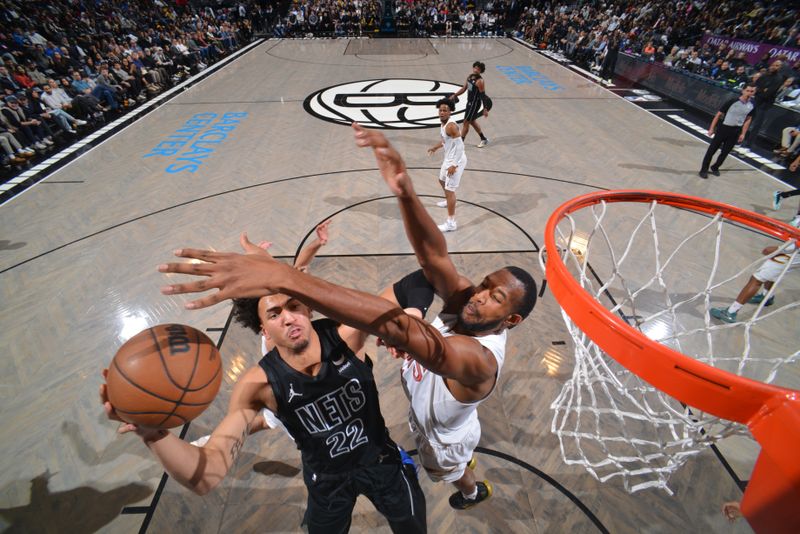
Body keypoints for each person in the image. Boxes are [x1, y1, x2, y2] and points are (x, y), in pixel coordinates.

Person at [156, 123, 538, 510]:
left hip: (440, 436)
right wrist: (406, 194)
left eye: (495, 298)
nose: (479, 296)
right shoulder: (466, 302)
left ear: (511, 320)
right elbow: (432, 259)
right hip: (349, 463)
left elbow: (396, 326)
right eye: (485, 285)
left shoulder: (480, 360)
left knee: (449, 473)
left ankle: (471, 491)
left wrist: (284, 275)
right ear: (263, 325)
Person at [102, 228, 428, 534]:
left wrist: (412, 314)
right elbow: (207, 475)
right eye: (274, 314)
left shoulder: (348, 335)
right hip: (327, 480)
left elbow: (421, 279)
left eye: (294, 306)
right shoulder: (256, 384)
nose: (288, 317)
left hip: (382, 461)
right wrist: (152, 434)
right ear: (263, 329)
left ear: (309, 308)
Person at [710, 217, 799, 323]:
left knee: (757, 279)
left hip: (793, 252)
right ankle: (767, 297)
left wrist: (779, 249)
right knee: (772, 271)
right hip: (794, 250)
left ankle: (730, 312)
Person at [699, 84, 755, 179]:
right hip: (723, 128)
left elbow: (748, 119)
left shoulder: (752, 106)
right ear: (743, 91)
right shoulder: (732, 101)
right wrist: (712, 128)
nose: (749, 93)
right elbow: (718, 115)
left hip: (736, 131)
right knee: (712, 150)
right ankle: (704, 170)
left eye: (752, 91)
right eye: (748, 91)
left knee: (725, 152)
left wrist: (743, 133)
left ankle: (715, 167)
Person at [428, 98, 466, 233]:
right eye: (441, 110)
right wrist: (435, 147)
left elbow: (461, 147)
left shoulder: (451, 126)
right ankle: (449, 200)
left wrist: (454, 165)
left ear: (450, 112)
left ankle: (451, 223)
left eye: (445, 110)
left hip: (457, 160)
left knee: (450, 190)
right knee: (441, 180)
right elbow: (445, 141)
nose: (442, 112)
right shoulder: (443, 124)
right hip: (448, 158)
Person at [448, 61, 492, 148]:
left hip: (475, 104)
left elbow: (483, 96)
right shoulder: (470, 77)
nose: (476, 70)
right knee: (471, 121)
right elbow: (464, 88)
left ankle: (460, 143)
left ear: (481, 71)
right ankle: (483, 139)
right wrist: (455, 95)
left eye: (478, 69)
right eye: (475, 68)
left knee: (466, 122)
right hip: (469, 103)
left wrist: (485, 108)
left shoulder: (480, 81)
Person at [742, 60, 785, 148]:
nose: (774, 66)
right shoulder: (764, 75)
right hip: (756, 101)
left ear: (780, 68)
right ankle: (739, 137)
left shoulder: (779, 79)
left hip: (764, 105)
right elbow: (756, 87)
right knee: (746, 120)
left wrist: (761, 90)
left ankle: (748, 144)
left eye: (777, 65)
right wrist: (762, 89)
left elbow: (768, 93)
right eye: (773, 64)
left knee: (756, 125)